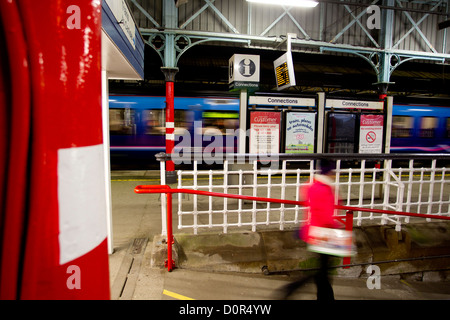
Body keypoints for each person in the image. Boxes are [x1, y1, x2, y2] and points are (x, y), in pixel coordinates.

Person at [279, 159, 340, 301]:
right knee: (323, 272)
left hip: (314, 231)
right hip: (323, 234)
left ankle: (321, 296)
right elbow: (326, 216)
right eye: (333, 172)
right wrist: (338, 230)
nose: (335, 175)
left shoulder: (312, 185)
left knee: (323, 271)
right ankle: (292, 288)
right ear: (329, 172)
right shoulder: (325, 188)